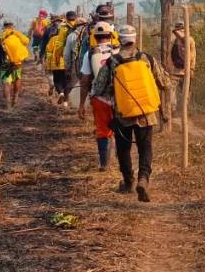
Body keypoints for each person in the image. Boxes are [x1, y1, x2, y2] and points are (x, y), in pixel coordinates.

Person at [92, 25, 170, 201]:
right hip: (146, 112)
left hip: (122, 113)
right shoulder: (147, 59)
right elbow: (165, 82)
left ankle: (128, 181)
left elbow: (98, 88)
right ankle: (143, 179)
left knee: (123, 148)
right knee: (145, 147)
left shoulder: (112, 62)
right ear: (135, 39)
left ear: (119, 39)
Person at [79, 21, 120, 170]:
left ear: (95, 37)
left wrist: (81, 104)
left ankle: (104, 164)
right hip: (120, 98)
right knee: (121, 128)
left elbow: (84, 81)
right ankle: (122, 160)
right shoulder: (119, 51)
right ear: (111, 35)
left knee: (103, 130)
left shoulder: (90, 54)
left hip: (100, 98)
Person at [0, 20, 31, 110]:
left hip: (6, 63)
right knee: (17, 78)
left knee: (7, 83)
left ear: (4, 26)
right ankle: (15, 99)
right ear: (12, 26)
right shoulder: (16, 33)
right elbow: (26, 41)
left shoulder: (1, 35)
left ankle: (8, 104)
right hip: (17, 62)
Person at [168, 21, 197, 113]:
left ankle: (186, 110)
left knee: (186, 92)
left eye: (182, 29)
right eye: (179, 29)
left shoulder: (189, 40)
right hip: (175, 71)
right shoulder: (174, 41)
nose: (180, 31)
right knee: (171, 90)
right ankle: (173, 109)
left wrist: (175, 31)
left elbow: (184, 39)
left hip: (187, 70)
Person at [44, 15, 70, 104]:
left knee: (57, 81)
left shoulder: (53, 39)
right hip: (66, 64)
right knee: (65, 82)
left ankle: (61, 93)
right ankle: (66, 102)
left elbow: (49, 53)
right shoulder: (68, 39)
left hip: (56, 64)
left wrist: (48, 65)